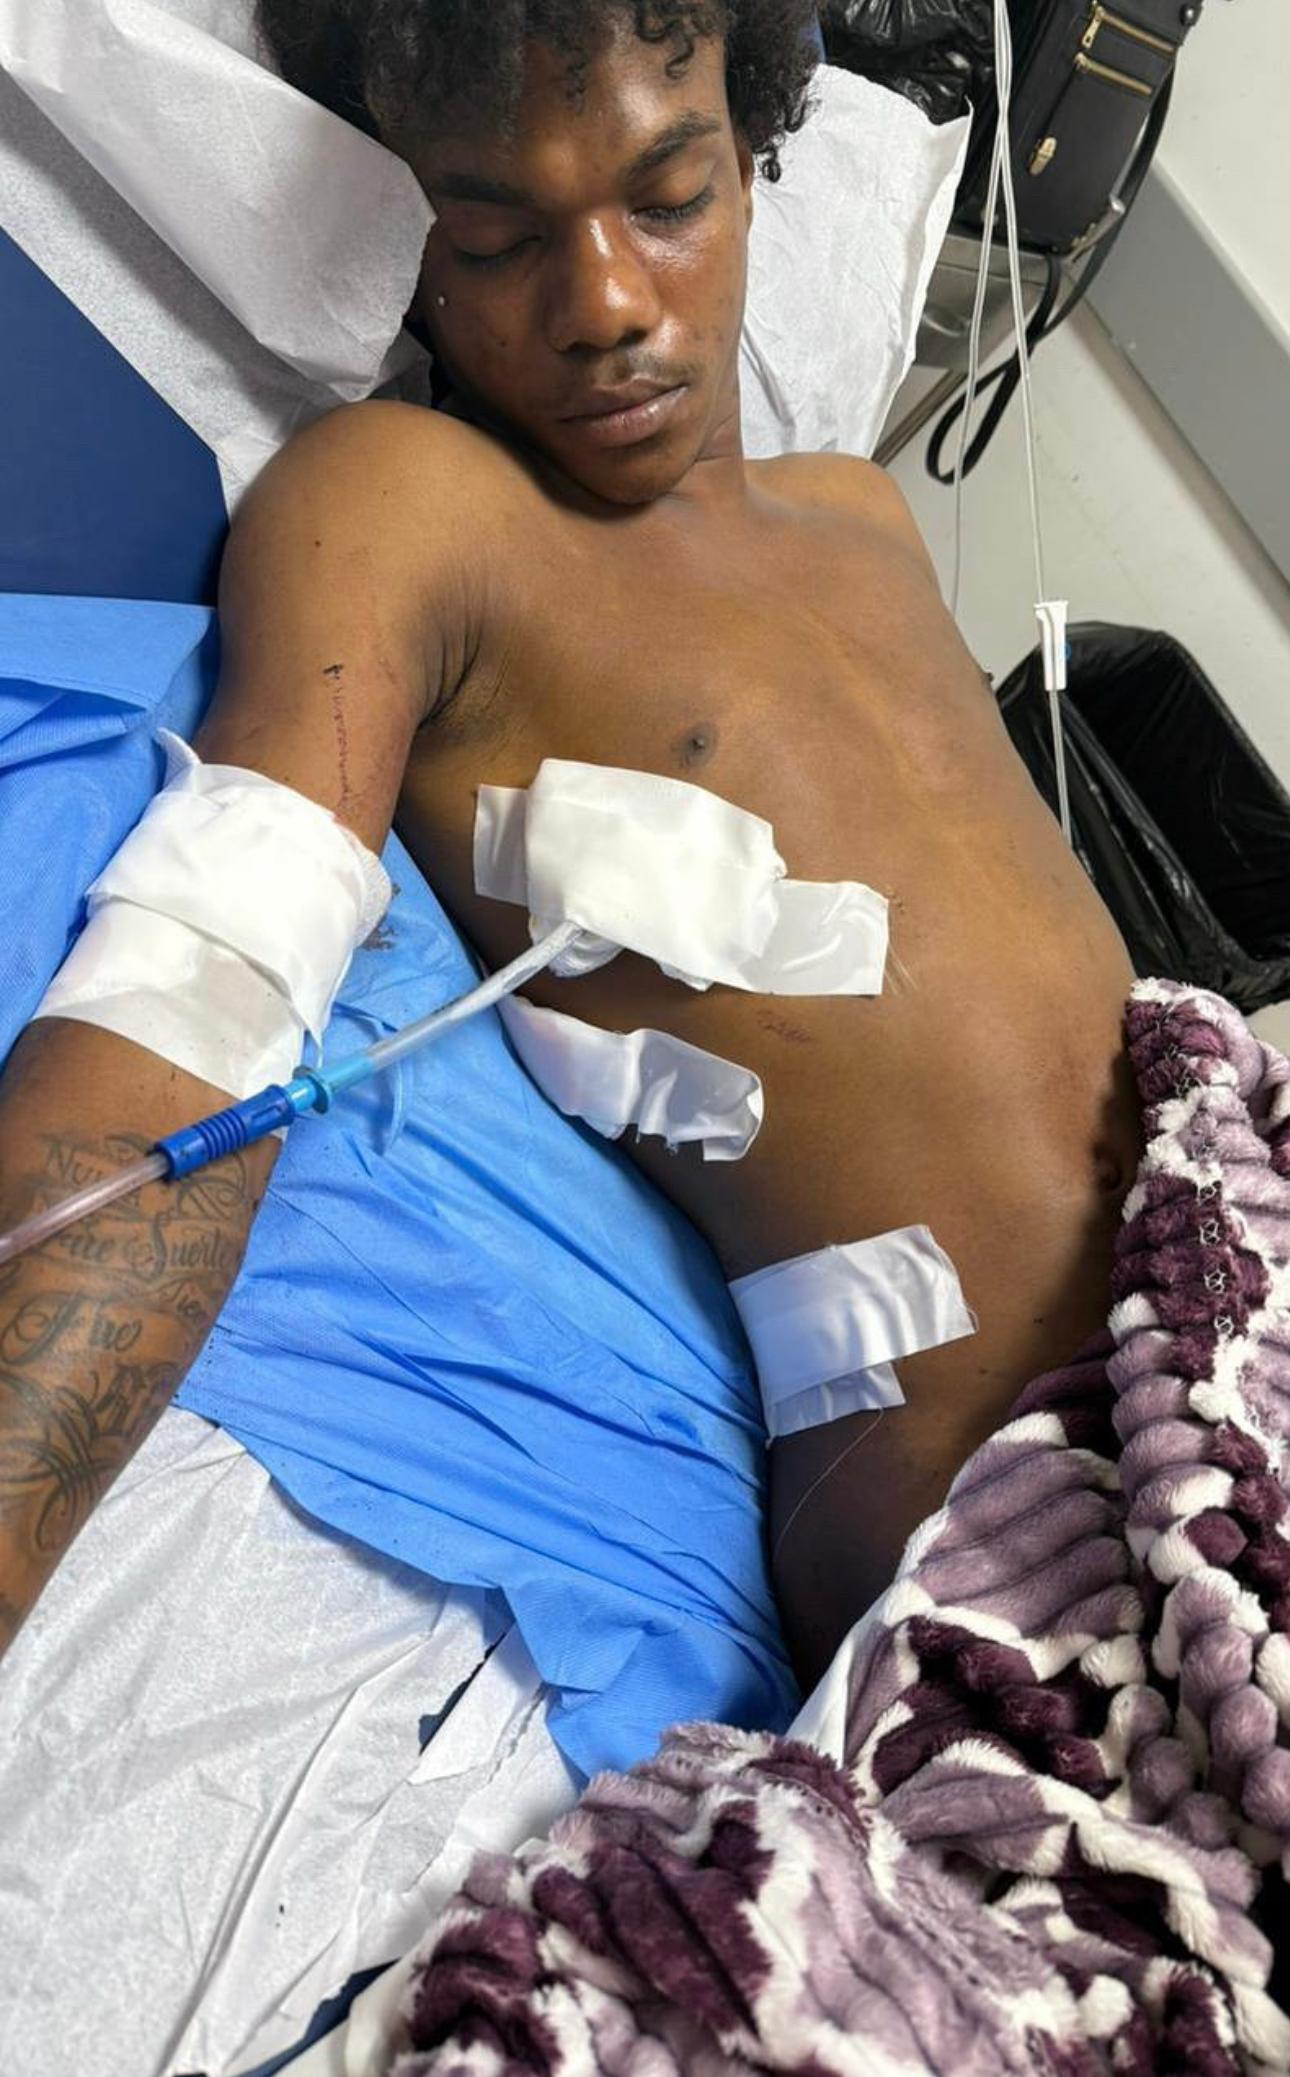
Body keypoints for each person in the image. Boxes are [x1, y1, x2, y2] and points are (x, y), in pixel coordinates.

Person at [0, 0, 1138, 1684]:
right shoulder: (407, 509)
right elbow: (182, 1037)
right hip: (1023, 1586)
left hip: (1224, 1308)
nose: (604, 302)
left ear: (754, 159)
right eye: (494, 238)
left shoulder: (861, 518)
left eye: (668, 198)